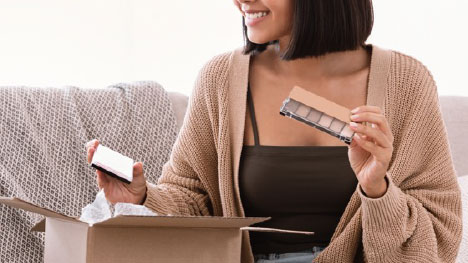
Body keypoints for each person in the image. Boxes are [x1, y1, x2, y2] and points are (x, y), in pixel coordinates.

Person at [86, 0, 462, 262]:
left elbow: (437, 239)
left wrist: (377, 190)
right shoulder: (221, 79)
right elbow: (194, 200)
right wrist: (143, 197)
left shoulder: (405, 82)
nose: (241, 0)